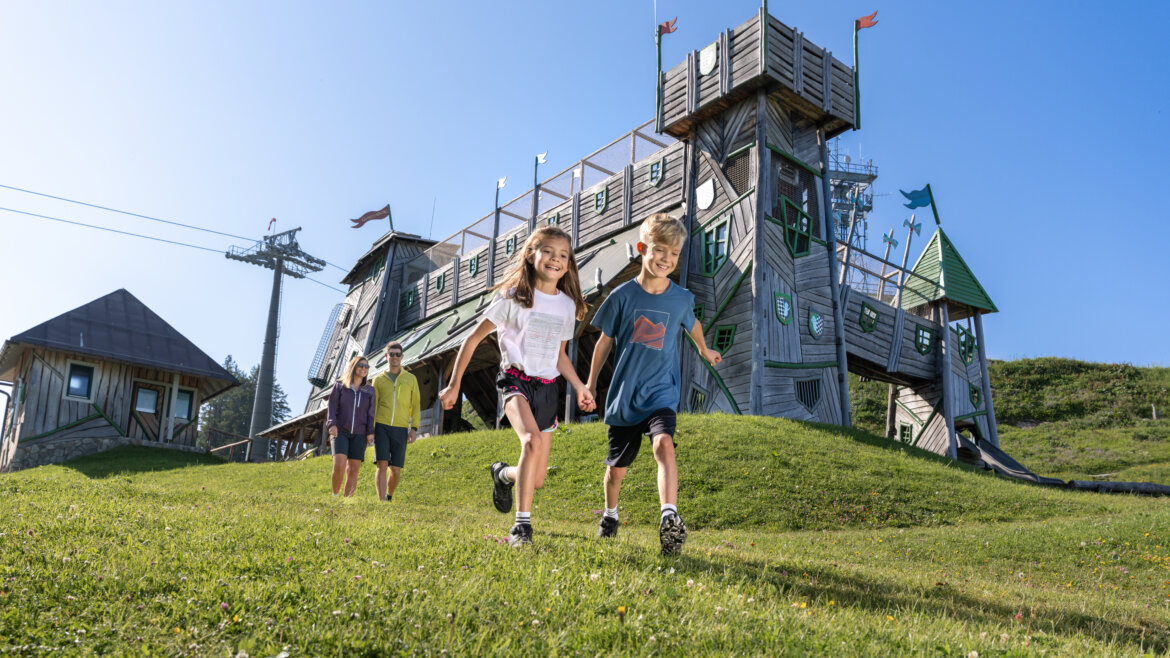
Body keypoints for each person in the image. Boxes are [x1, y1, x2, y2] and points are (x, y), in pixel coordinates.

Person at [438, 225, 595, 547]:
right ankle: (521, 528)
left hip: (548, 387)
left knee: (536, 479)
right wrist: (454, 385)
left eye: (563, 255)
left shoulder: (566, 306)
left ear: (569, 263)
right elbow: (472, 339)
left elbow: (560, 355)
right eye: (548, 252)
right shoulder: (512, 298)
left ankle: (502, 474)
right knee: (532, 441)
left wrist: (580, 386)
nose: (555, 259)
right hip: (515, 380)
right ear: (531, 255)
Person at [585, 213, 722, 554]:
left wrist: (704, 349)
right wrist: (588, 385)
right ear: (642, 249)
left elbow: (692, 325)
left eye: (674, 254)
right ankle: (610, 516)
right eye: (661, 250)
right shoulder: (622, 296)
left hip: (662, 391)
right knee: (616, 473)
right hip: (625, 398)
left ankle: (668, 518)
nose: (667, 259)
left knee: (664, 444)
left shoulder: (681, 298)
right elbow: (603, 342)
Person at [371, 341, 420, 501]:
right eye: (391, 354)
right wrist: (370, 430)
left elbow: (416, 404)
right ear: (386, 356)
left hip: (400, 428)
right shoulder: (378, 380)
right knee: (382, 464)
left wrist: (414, 428)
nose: (394, 357)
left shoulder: (411, 379)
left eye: (397, 354)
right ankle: (381, 500)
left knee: (396, 469)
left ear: (402, 356)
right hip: (381, 426)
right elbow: (374, 405)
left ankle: (389, 496)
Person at [325, 355, 376, 497]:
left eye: (366, 366)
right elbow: (332, 406)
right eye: (361, 365)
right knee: (339, 465)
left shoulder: (369, 390)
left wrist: (370, 432)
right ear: (353, 366)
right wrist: (331, 424)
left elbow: (371, 413)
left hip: (359, 434)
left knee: (353, 469)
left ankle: (347, 500)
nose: (363, 368)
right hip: (340, 431)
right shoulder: (340, 385)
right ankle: (335, 496)